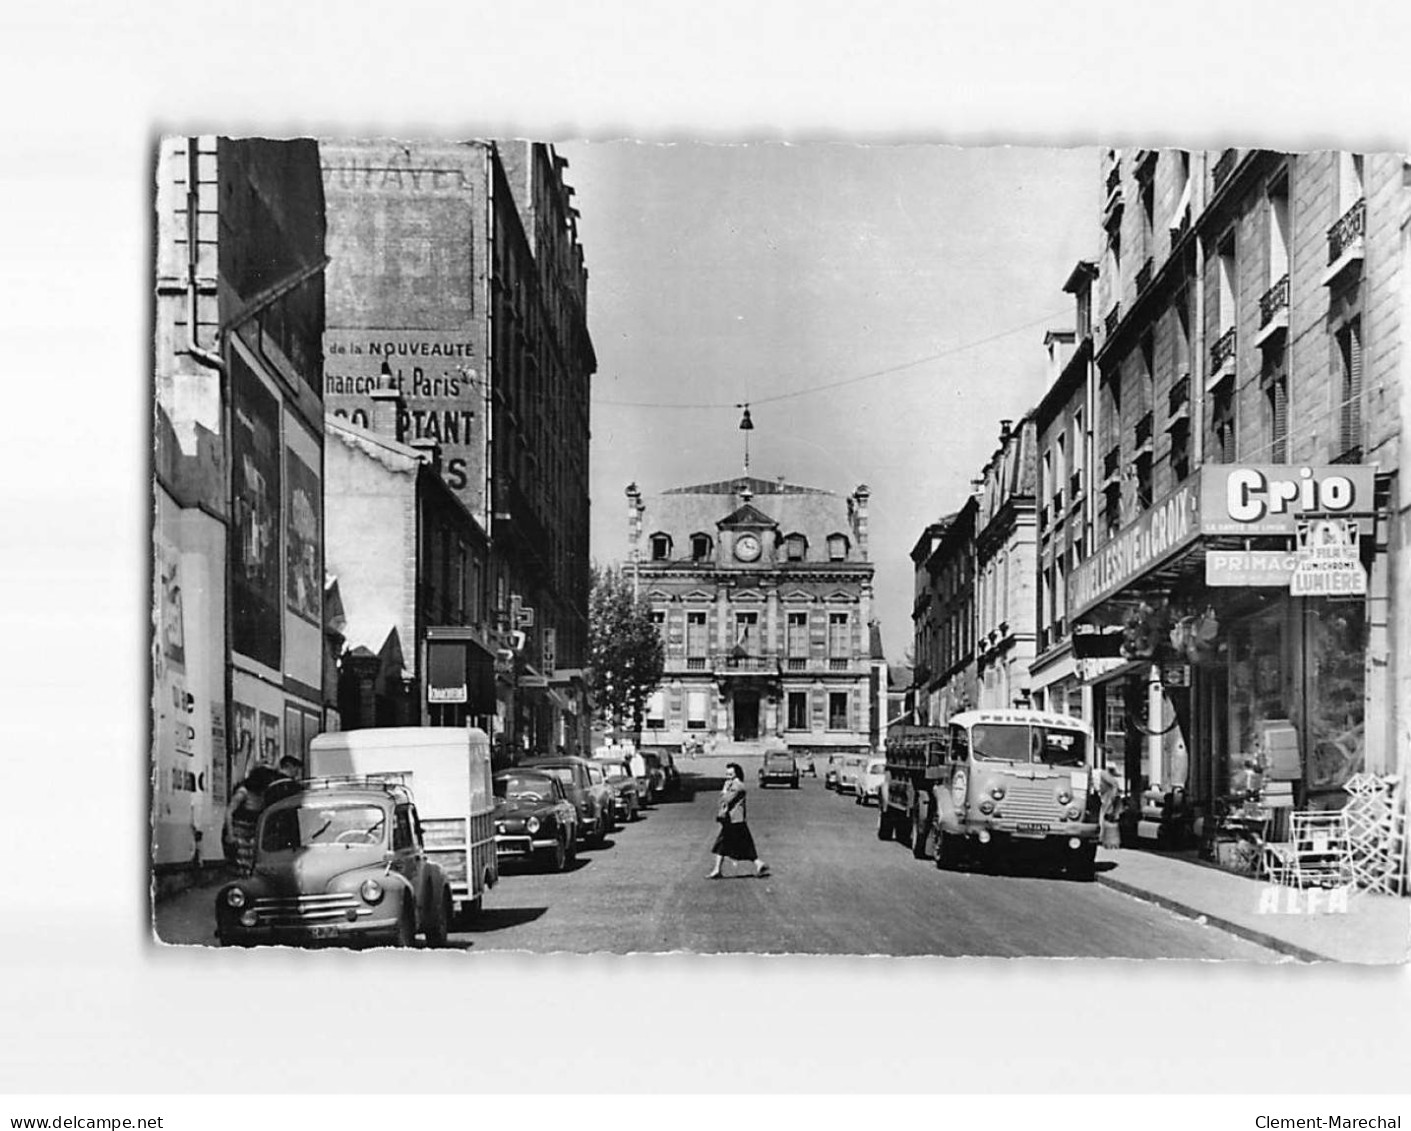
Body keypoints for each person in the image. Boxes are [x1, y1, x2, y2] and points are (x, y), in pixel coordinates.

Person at [708, 762, 769, 879]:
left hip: (734, 820)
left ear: (737, 774)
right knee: (737, 845)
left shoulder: (737, 786)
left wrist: (724, 790)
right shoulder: (733, 785)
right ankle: (758, 864)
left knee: (723, 844)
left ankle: (717, 870)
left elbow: (725, 800)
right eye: (727, 774)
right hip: (734, 820)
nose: (728, 776)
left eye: (731, 774)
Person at [223, 764, 284, 875]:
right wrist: (230, 835)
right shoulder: (243, 792)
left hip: (253, 834)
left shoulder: (263, 794)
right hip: (239, 834)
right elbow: (229, 812)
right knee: (241, 865)